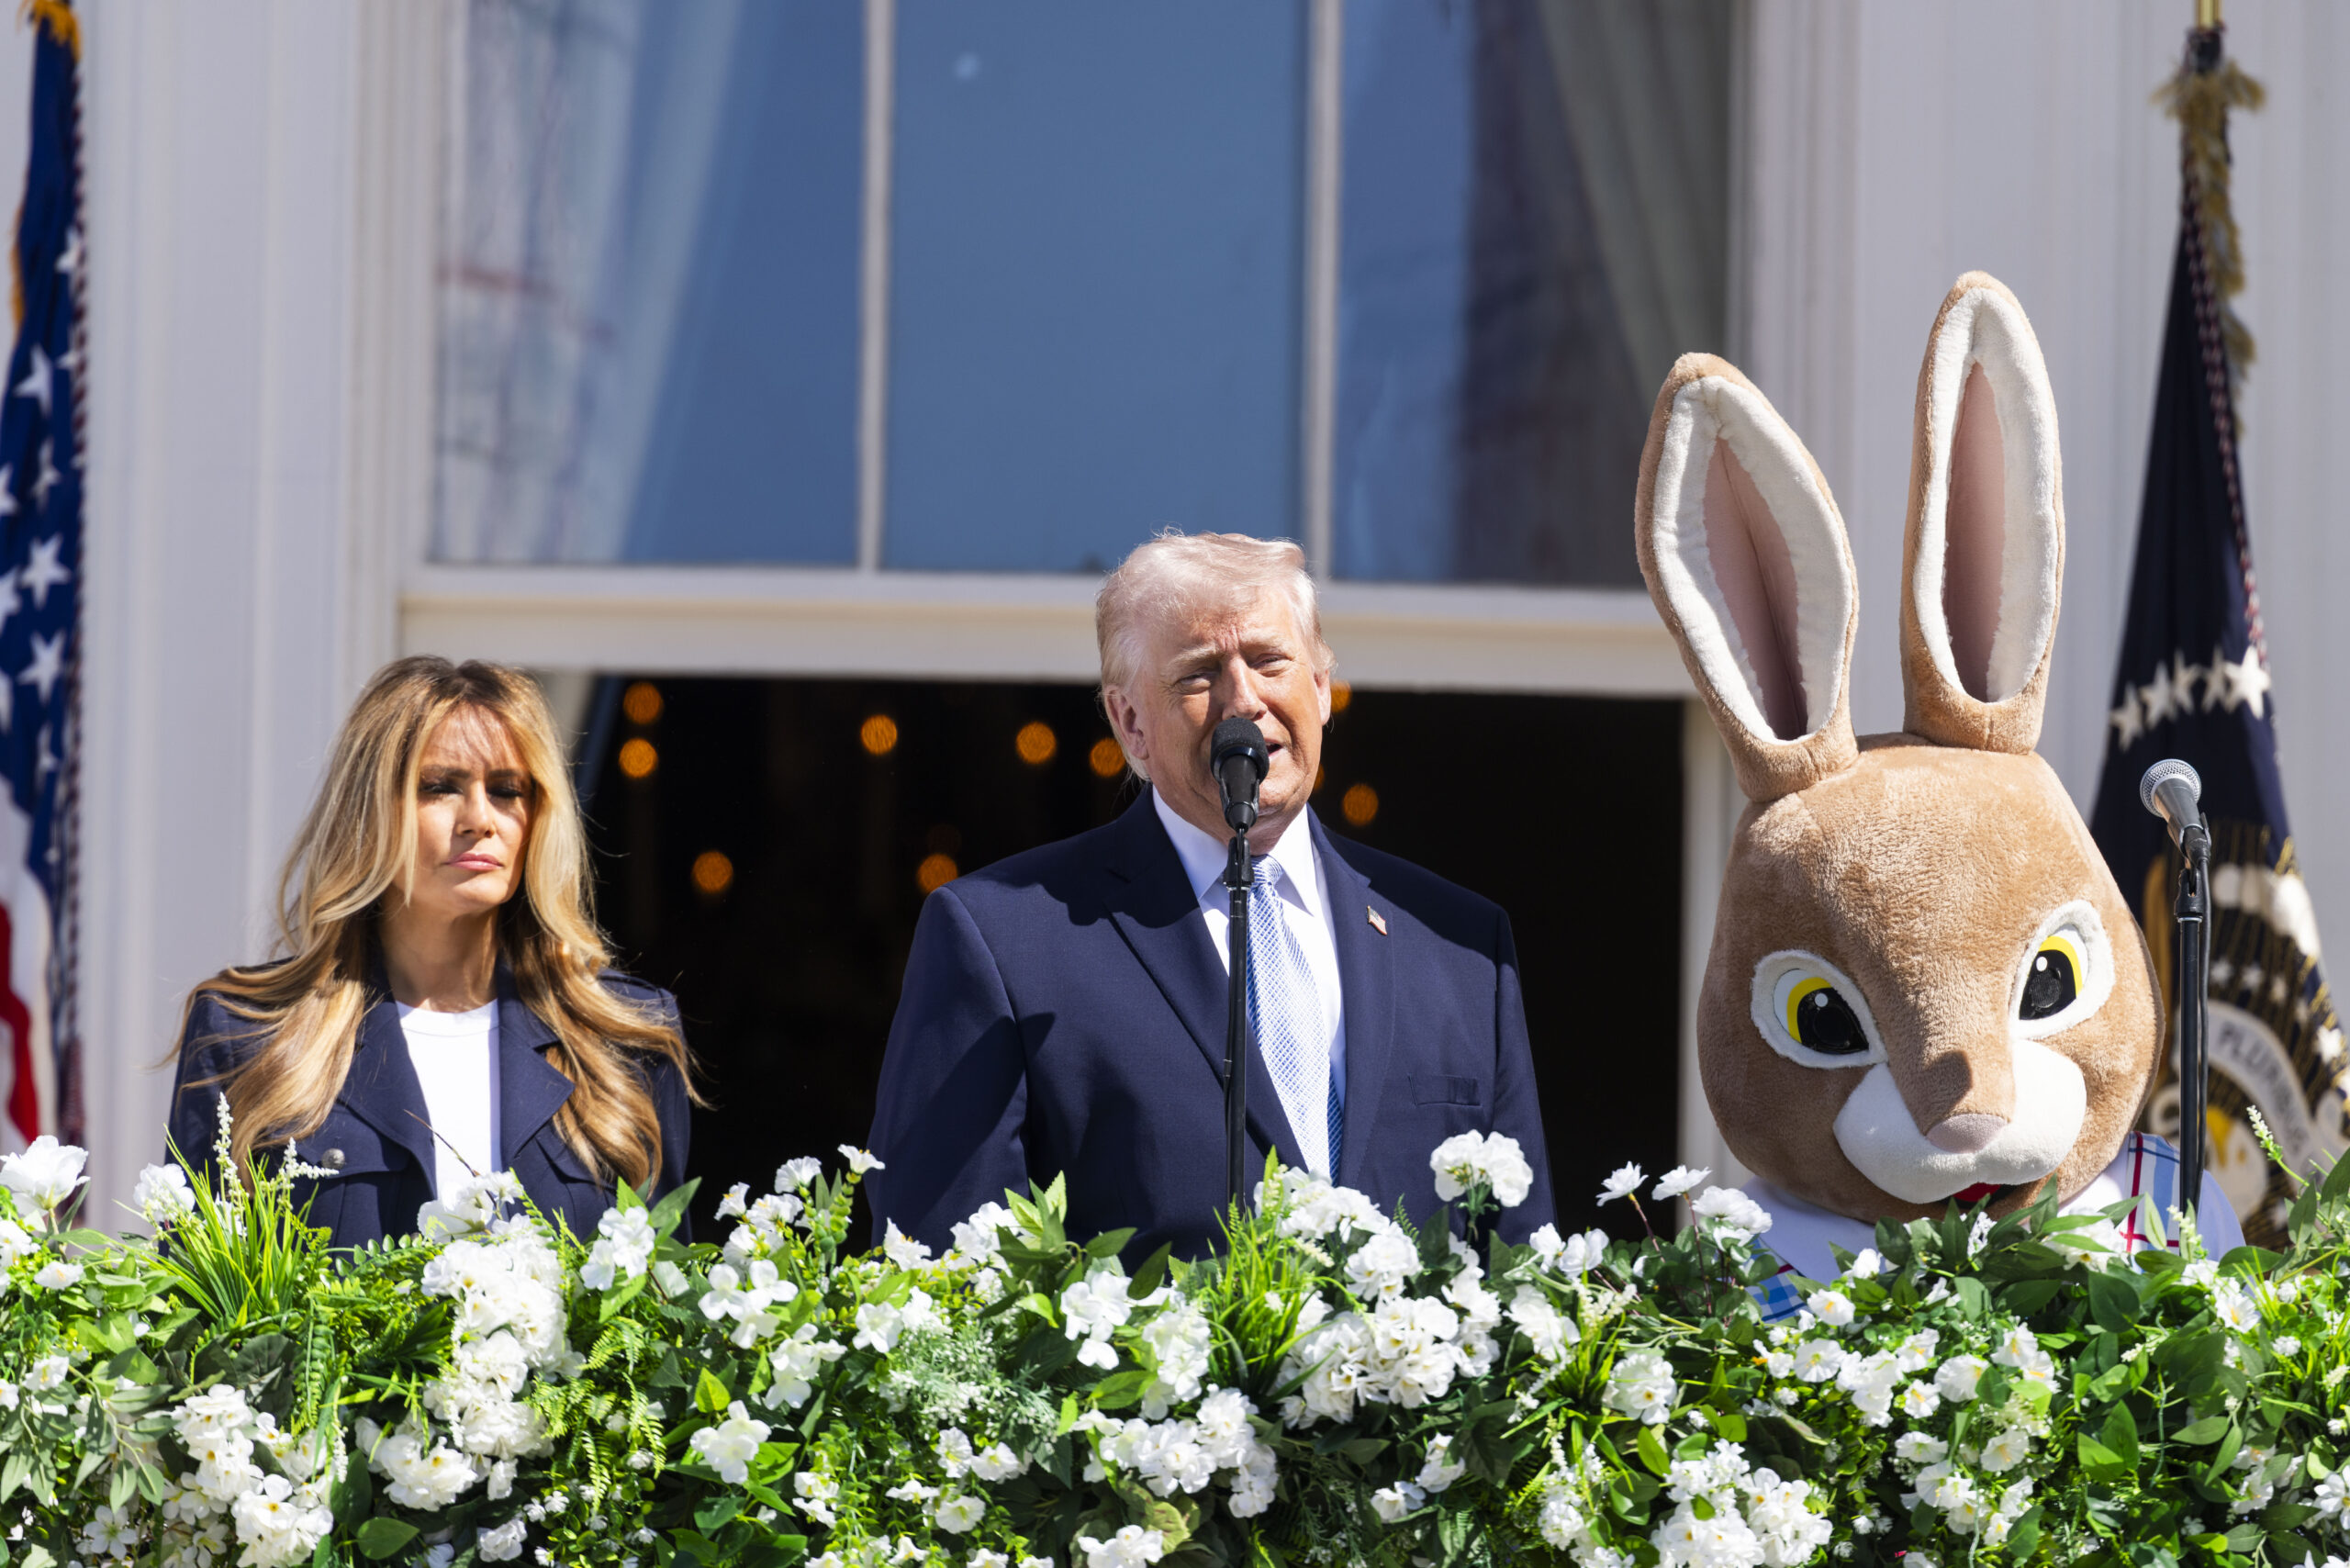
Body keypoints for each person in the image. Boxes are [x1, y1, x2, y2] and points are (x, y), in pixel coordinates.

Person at [867, 532, 1555, 1259]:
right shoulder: (1004, 938)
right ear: (1130, 723)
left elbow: (1521, 1272)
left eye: (1269, 661)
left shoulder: (1458, 945)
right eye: (1199, 675)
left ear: (1321, 688)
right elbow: (938, 1274)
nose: (1243, 703)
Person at [165, 656, 697, 1247]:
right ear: (370, 810)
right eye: (439, 787)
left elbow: (657, 1308)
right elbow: (196, 1315)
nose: (480, 820)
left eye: (506, 791)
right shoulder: (248, 1034)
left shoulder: (624, 1040)